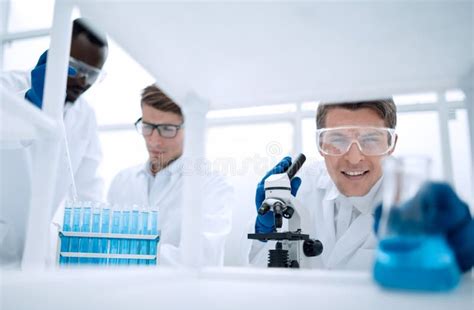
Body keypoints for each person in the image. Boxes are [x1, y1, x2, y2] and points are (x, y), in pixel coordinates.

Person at [249, 99, 474, 272]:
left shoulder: (417, 204)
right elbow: (260, 278)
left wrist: (458, 258)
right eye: (337, 140)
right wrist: (264, 231)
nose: (354, 158)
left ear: (391, 143)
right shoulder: (299, 188)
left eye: (370, 139)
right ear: (320, 144)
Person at [0, 18, 108, 266]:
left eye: (92, 75)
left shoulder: (85, 116)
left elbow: (88, 189)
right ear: (54, 55)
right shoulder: (8, 87)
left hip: (42, 254)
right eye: (76, 68)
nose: (82, 81)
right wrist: (29, 104)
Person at [107, 84, 233, 266]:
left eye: (167, 129)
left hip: (180, 293)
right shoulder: (122, 181)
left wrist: (123, 251)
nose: (154, 140)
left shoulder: (212, 184)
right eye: (147, 126)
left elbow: (202, 259)